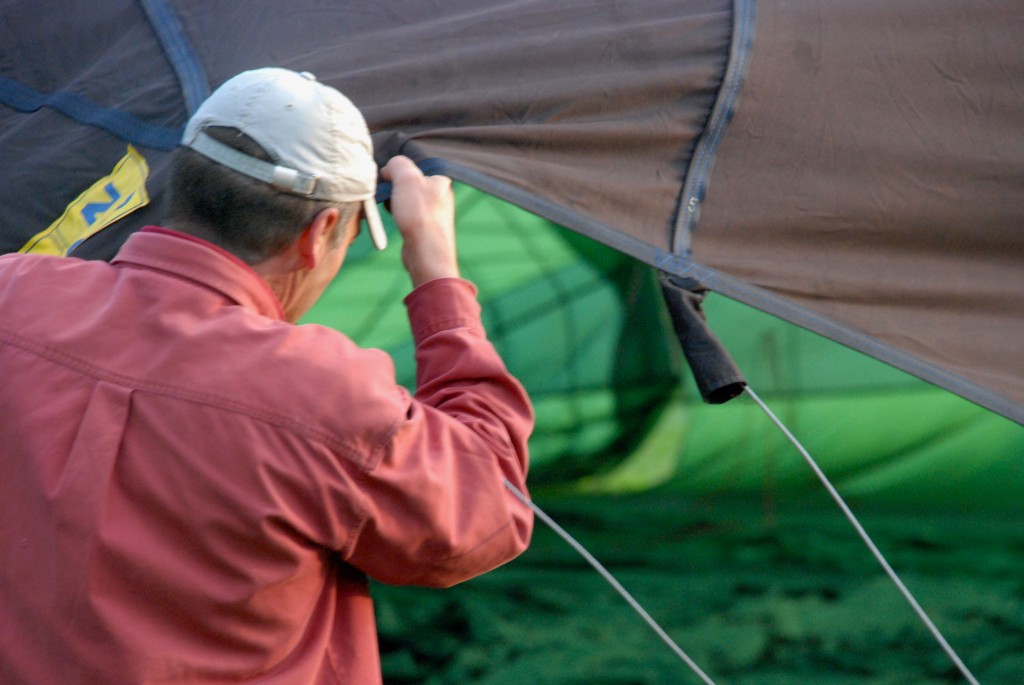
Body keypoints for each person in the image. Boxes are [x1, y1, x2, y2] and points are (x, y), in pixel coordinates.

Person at [0, 68, 534, 684]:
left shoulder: (14, 288)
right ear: (323, 233)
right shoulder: (329, 397)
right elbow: (486, 513)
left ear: (185, 183)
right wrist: (438, 273)